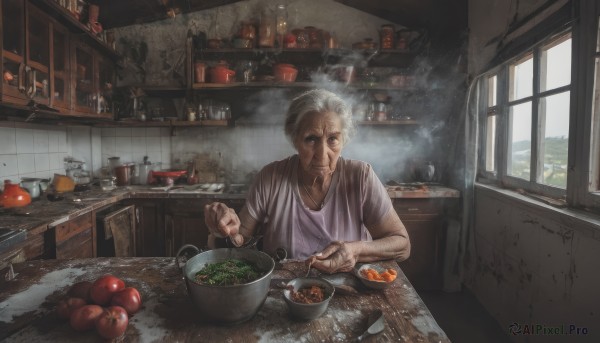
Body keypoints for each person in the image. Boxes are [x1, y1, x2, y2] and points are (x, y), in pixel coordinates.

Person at [204, 89, 410, 273]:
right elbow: (240, 242)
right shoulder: (271, 178)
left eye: (332, 139)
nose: (322, 154)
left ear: (343, 140)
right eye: (311, 138)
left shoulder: (361, 177)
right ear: (295, 139)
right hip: (284, 292)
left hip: (349, 292)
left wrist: (355, 250)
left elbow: (402, 244)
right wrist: (224, 230)